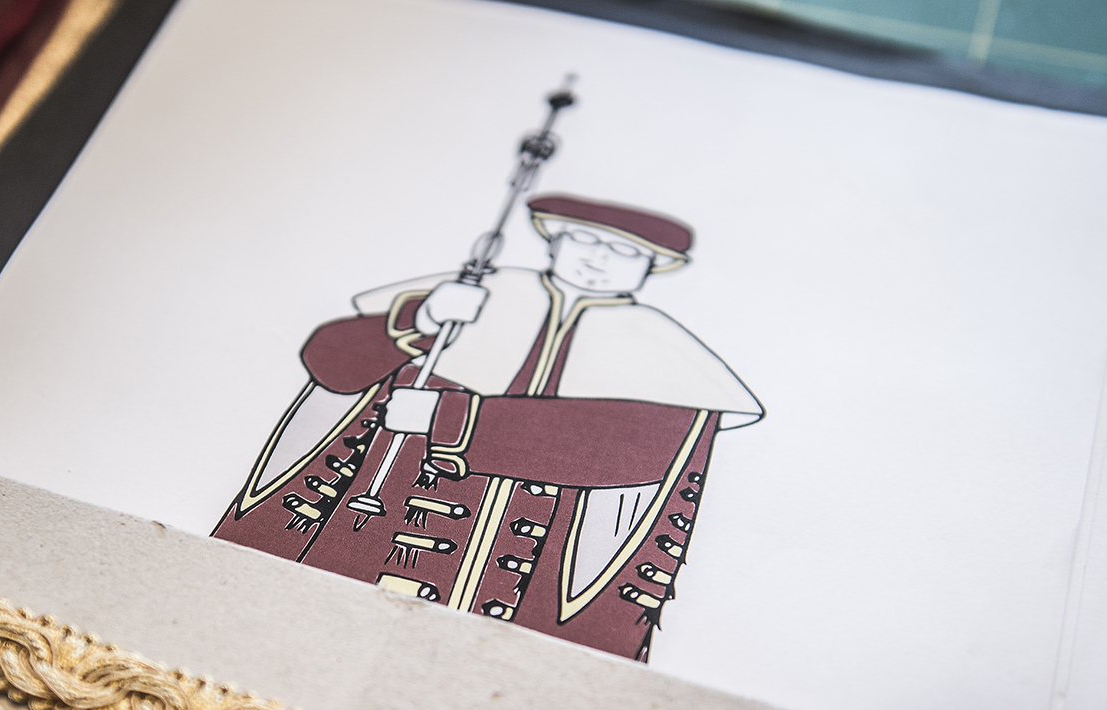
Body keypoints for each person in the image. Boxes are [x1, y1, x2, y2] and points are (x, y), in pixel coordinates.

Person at [212, 194, 761, 661]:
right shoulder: (472, 297)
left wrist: (449, 420)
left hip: (525, 592)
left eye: (623, 251)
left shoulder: (664, 349)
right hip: (377, 538)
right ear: (552, 240)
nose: (597, 259)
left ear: (654, 266)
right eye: (581, 240)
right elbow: (332, 364)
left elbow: (630, 449)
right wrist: (420, 319)